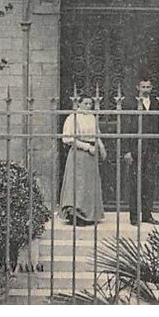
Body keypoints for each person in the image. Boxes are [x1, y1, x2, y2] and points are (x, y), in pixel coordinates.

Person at [59, 95, 106, 225]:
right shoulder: (72, 118)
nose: (88, 106)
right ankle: (75, 214)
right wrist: (86, 147)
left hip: (91, 154)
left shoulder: (92, 117)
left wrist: (101, 147)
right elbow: (68, 138)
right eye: (85, 103)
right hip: (78, 153)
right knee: (77, 183)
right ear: (78, 104)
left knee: (89, 184)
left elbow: (97, 134)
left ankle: (88, 215)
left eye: (90, 104)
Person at [123, 78, 159, 225]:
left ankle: (147, 214)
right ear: (137, 87)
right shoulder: (129, 104)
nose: (145, 89)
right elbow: (125, 127)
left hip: (150, 149)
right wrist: (126, 150)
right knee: (134, 183)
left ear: (151, 88)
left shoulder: (156, 104)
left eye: (148, 87)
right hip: (135, 149)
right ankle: (134, 216)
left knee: (149, 182)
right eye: (143, 86)